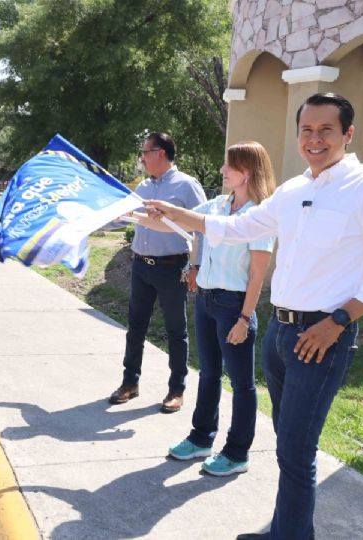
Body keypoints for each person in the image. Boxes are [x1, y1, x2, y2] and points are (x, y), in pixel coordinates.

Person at [145, 93, 363, 539]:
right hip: (280, 333)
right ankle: (286, 531)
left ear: (348, 134)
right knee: (288, 447)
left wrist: (338, 322)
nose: (315, 139)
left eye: (326, 130)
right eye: (306, 130)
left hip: (322, 336)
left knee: (296, 449)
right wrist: (175, 214)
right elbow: (236, 228)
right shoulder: (293, 190)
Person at [137, 141, 276, 476]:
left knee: (242, 384)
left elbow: (258, 273)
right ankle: (201, 438)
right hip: (207, 300)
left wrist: (245, 318)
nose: (222, 170)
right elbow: (183, 225)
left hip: (234, 305)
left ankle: (237, 452)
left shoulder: (260, 216)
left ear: (247, 172)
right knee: (209, 374)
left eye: (229, 166)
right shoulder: (216, 205)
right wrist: (138, 214)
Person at [108, 132, 206, 413]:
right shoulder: (143, 188)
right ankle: (130, 383)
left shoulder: (187, 186)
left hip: (172, 268)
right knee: (135, 327)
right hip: (141, 266)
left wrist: (195, 266)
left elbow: (202, 228)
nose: (142, 158)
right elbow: (124, 218)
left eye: (145, 153)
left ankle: (177, 389)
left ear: (160, 153)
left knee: (176, 331)